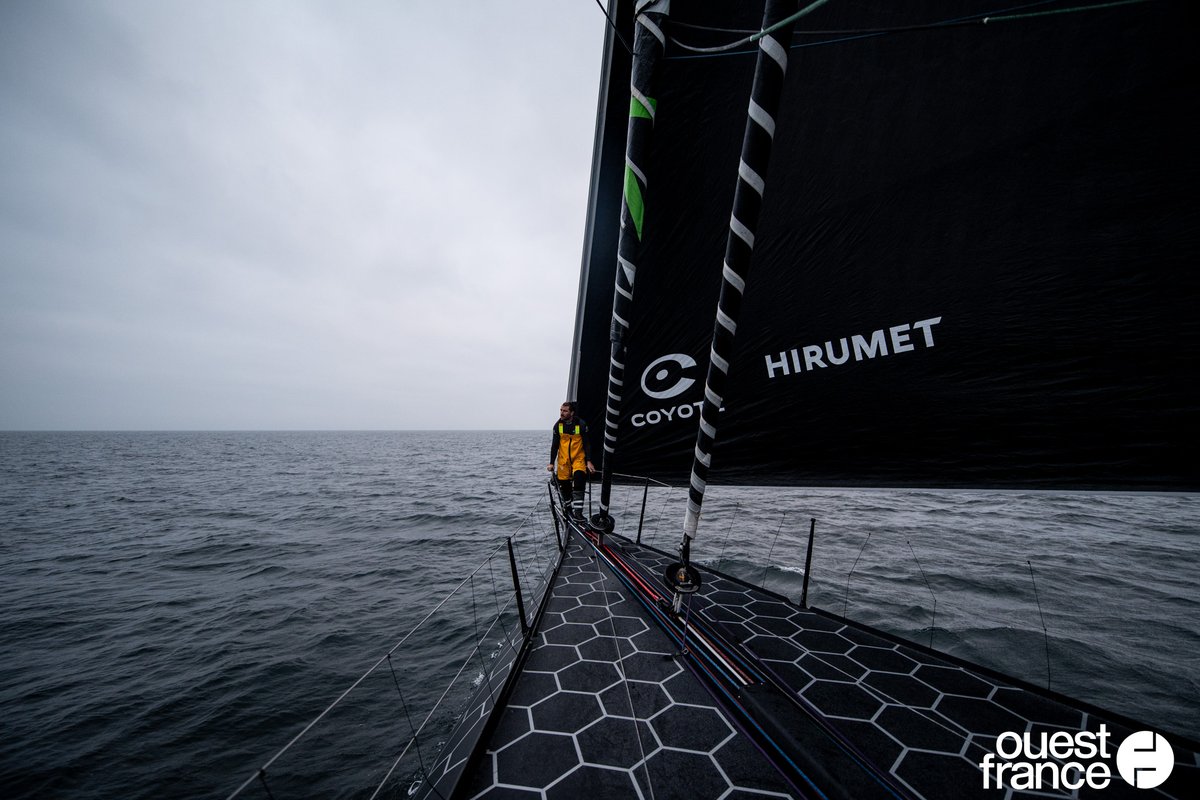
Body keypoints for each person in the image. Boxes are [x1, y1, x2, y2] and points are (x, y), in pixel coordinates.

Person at [547, 401, 596, 520]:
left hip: (578, 458)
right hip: (563, 461)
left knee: (579, 478)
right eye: (561, 410)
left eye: (565, 411)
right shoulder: (558, 426)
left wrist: (589, 461)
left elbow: (587, 444)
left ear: (572, 413)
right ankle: (568, 509)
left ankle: (578, 513)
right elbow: (554, 446)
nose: (562, 413)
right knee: (565, 487)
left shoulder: (580, 424)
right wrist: (551, 463)